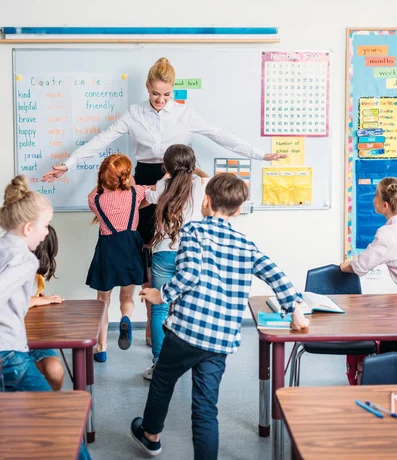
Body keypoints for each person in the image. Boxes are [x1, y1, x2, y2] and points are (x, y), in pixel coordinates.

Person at [42, 57, 286, 345]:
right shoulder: (134, 114)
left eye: (166, 94)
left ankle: (167, 323)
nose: (160, 100)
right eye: (155, 94)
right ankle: (151, 322)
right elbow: (101, 139)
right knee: (146, 251)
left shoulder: (185, 115)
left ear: (173, 91)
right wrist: (68, 165)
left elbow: (222, 137)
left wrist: (261, 155)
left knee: (176, 248)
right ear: (147, 88)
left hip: (178, 180)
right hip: (145, 178)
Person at [131, 173, 309, 459]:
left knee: (164, 379)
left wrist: (159, 295)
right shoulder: (246, 245)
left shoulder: (194, 232)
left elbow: (188, 275)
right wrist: (294, 309)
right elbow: (276, 274)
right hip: (220, 339)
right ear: (238, 210)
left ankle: (151, 435)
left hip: (187, 331)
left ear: (206, 201)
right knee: (205, 407)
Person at [0, 175, 91, 460]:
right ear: (28, 227)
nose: (45, 234)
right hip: (9, 355)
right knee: (59, 421)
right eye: (44, 226)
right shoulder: (26, 260)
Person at [142, 144, 209, 381]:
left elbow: (148, 196)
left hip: (163, 253)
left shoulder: (162, 185)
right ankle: (186, 363)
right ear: (192, 164)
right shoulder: (199, 185)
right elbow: (206, 176)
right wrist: (192, 170)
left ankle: (160, 365)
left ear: (166, 166)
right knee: (188, 308)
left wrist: (168, 174)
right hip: (191, 253)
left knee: (159, 309)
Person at [86, 153, 148, 362]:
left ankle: (101, 349)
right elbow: (150, 197)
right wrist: (131, 183)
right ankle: (126, 318)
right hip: (130, 247)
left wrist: (103, 182)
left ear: (103, 176)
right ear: (126, 176)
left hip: (107, 249)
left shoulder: (95, 198)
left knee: (103, 301)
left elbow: (98, 190)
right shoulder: (136, 193)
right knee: (127, 297)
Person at [340, 176, 397, 354]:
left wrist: (343, 267)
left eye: (375, 195)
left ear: (385, 205)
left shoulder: (388, 234)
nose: (373, 199)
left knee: (389, 342)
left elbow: (361, 265)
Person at [29, 225, 65, 390]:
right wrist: (35, 300)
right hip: (11, 342)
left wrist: (41, 298)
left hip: (34, 337)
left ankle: (50, 404)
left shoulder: (37, 276)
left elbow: (33, 296)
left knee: (55, 370)